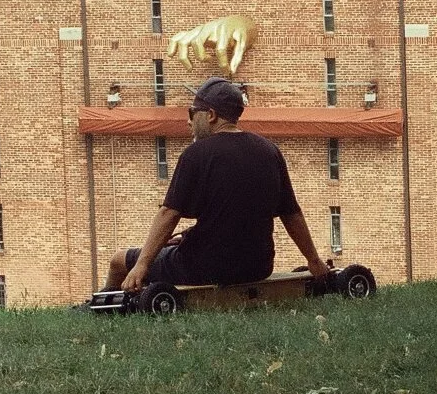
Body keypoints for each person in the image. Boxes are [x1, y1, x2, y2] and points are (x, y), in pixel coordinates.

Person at [106, 77, 333, 293]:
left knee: (119, 260)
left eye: (193, 113)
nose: (189, 121)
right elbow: (291, 213)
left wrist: (141, 266)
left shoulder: (196, 154)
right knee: (176, 244)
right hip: (258, 266)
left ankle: (97, 308)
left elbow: (168, 213)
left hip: (203, 267)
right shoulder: (270, 151)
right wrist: (313, 261)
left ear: (211, 115)